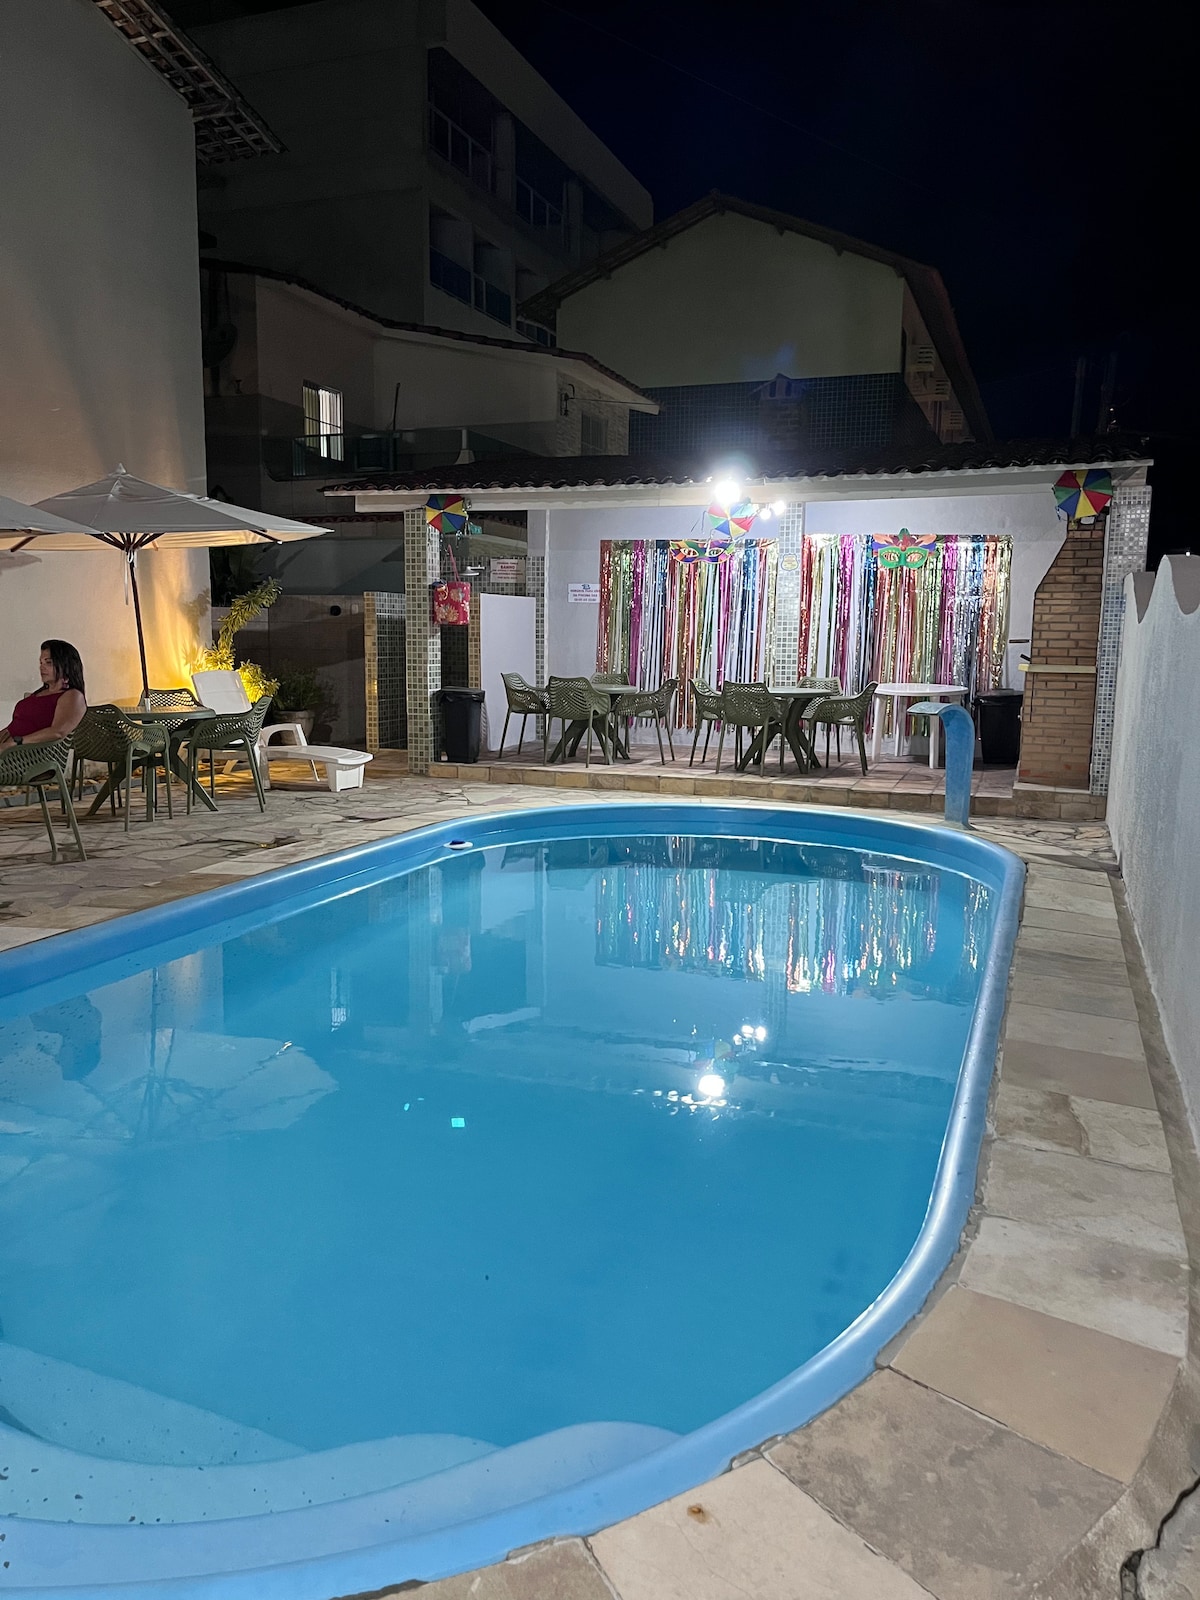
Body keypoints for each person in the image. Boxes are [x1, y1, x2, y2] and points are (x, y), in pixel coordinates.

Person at [0, 640, 87, 751]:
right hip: (9, 749)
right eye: (41, 663)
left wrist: (16, 742)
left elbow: (58, 732)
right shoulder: (39, 693)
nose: (42, 667)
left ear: (65, 664)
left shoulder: (73, 696)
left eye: (48, 662)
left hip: (29, 754)